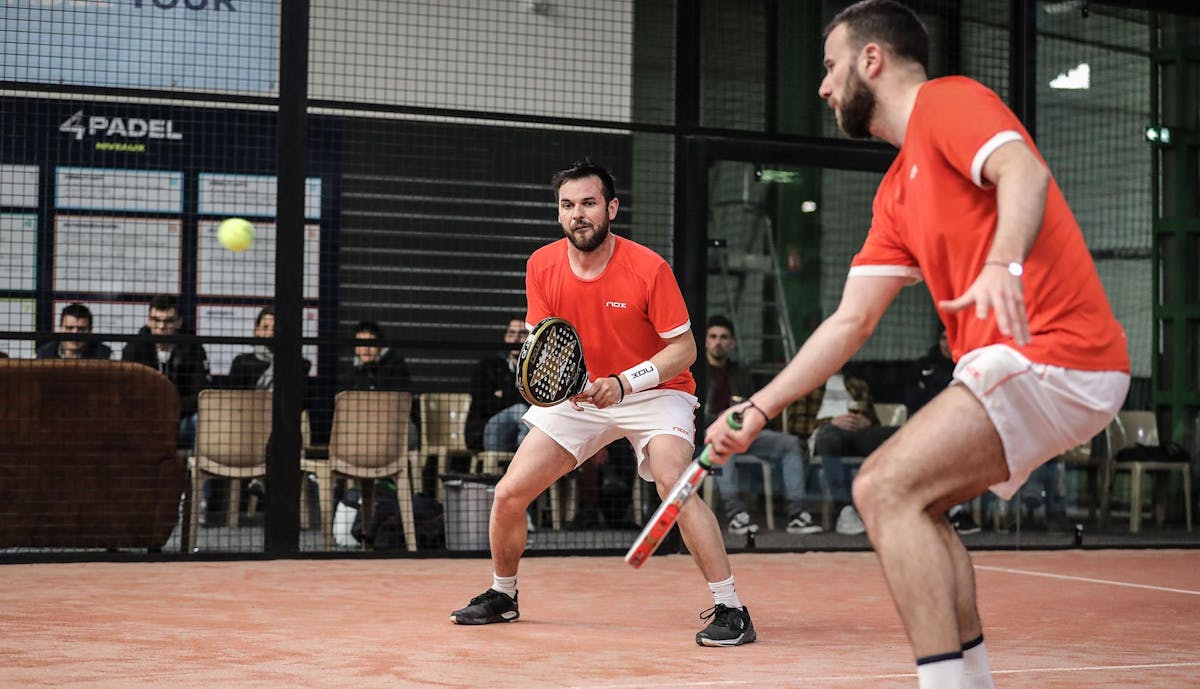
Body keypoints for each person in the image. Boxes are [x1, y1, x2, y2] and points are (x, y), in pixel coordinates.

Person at [705, 2, 1129, 687]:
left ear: (871, 60)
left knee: (882, 487)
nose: (822, 86)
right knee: (919, 505)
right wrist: (755, 410)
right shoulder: (897, 193)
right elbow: (848, 324)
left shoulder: (949, 102)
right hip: (1026, 366)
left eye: (830, 66)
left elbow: (1024, 173)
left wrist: (1002, 263)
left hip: (1055, 350)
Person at [451, 160, 756, 647]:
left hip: (656, 393)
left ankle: (731, 608)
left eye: (589, 203)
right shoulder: (541, 265)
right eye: (568, 205)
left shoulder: (648, 267)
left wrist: (623, 383)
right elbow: (545, 342)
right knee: (508, 494)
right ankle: (502, 595)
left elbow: (684, 350)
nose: (578, 215)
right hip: (581, 395)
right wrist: (568, 384)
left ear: (611, 208)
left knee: (675, 485)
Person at [703, 315, 821, 536]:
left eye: (724, 337)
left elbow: (751, 405)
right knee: (722, 443)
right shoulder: (697, 370)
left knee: (789, 443)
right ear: (706, 341)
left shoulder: (741, 371)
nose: (718, 342)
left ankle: (797, 514)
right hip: (709, 433)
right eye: (713, 337)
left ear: (732, 343)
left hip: (743, 430)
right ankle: (736, 514)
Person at [789, 369, 895, 535]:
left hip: (856, 436)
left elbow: (874, 422)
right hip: (824, 436)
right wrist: (831, 422)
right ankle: (844, 511)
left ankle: (897, 507)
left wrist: (866, 423)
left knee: (896, 433)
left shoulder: (857, 385)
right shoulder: (809, 383)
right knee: (829, 436)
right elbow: (795, 425)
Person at [906, 329, 980, 535]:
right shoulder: (924, 365)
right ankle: (936, 508)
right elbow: (913, 400)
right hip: (924, 427)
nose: (947, 343)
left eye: (953, 337)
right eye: (943, 338)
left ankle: (954, 508)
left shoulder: (969, 366)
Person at [122, 294, 212, 449]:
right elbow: (127, 392)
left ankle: (194, 469)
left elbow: (199, 393)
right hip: (143, 420)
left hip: (181, 420)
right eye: (156, 320)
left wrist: (170, 407)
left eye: (168, 321)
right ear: (148, 321)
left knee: (200, 420)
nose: (162, 326)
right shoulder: (134, 348)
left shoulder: (193, 348)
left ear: (179, 322)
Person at [343, 320, 419, 450]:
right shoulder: (352, 374)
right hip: (361, 428)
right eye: (361, 344)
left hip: (394, 427)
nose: (366, 349)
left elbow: (398, 403)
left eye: (370, 344)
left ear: (380, 345)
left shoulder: (396, 367)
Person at [465, 316, 529, 454]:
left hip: (522, 430)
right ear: (506, 337)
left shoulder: (536, 370)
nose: (516, 339)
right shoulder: (487, 367)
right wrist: (516, 393)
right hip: (486, 431)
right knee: (521, 411)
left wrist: (503, 394)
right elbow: (483, 402)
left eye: (522, 334)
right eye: (511, 333)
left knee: (527, 422)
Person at [227, 305, 311, 390]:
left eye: (275, 329)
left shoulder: (299, 364)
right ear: (256, 330)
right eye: (265, 327)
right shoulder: (241, 362)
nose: (270, 334)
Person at [36, 303, 112, 360]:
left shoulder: (104, 355)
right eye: (69, 328)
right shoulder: (45, 354)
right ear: (61, 329)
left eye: (81, 329)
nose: (75, 333)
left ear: (90, 331)